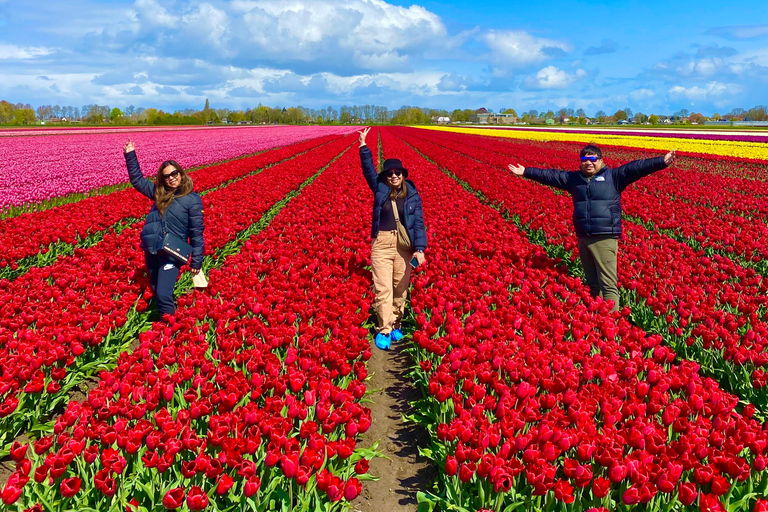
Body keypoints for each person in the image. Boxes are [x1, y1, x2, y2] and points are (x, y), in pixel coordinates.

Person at [508, 144, 675, 313]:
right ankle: (598, 319)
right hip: (584, 236)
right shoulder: (574, 180)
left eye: (593, 159)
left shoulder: (614, 177)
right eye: (584, 159)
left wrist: (661, 161)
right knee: (593, 284)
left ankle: (612, 323)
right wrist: (526, 171)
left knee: (608, 284)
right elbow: (551, 175)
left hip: (604, 236)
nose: (589, 162)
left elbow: (636, 168)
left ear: (600, 160)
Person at [359, 127, 427, 350]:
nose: (394, 176)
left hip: (404, 247)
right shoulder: (379, 190)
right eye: (390, 173)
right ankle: (384, 329)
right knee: (383, 288)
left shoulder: (413, 195)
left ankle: (396, 324)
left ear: (403, 175)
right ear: (385, 177)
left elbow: (418, 223)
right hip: (382, 243)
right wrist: (363, 147)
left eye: (398, 172)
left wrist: (420, 248)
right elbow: (368, 171)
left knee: (400, 287)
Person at [123, 140, 204, 317]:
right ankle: (163, 322)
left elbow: (196, 233)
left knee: (163, 294)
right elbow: (137, 180)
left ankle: (169, 331)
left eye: (175, 173)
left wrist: (196, 261)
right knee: (156, 288)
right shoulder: (159, 194)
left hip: (172, 252)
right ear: (163, 179)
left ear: (181, 174)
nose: (172, 178)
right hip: (152, 250)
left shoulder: (192, 199)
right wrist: (130, 154)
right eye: (167, 176)